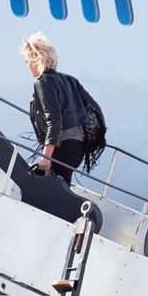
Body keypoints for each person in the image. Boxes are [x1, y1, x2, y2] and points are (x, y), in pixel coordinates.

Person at [21, 32, 95, 185]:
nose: (26, 65)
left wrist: (46, 156)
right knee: (59, 187)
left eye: (27, 60)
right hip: (77, 148)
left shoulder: (43, 82)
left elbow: (54, 119)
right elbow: (92, 107)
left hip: (63, 147)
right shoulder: (69, 80)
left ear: (36, 58)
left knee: (42, 187)